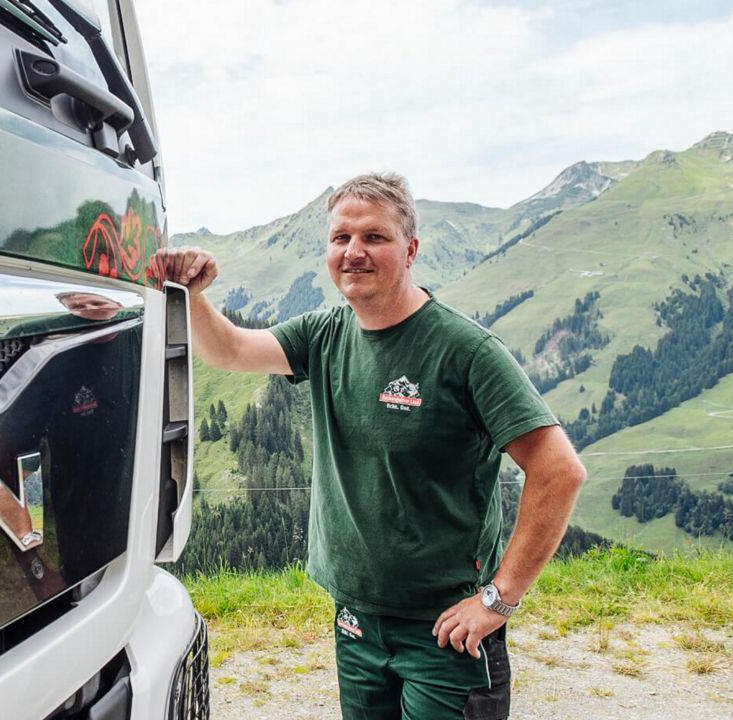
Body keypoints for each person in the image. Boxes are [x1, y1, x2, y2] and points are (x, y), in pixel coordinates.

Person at [157, 173, 586, 720]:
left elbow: (559, 470)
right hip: (355, 617)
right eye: (341, 238)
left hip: (446, 629)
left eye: (374, 237)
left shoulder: (466, 350)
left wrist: (499, 600)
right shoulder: (324, 334)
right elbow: (231, 350)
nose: (353, 252)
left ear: (410, 250)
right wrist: (192, 295)